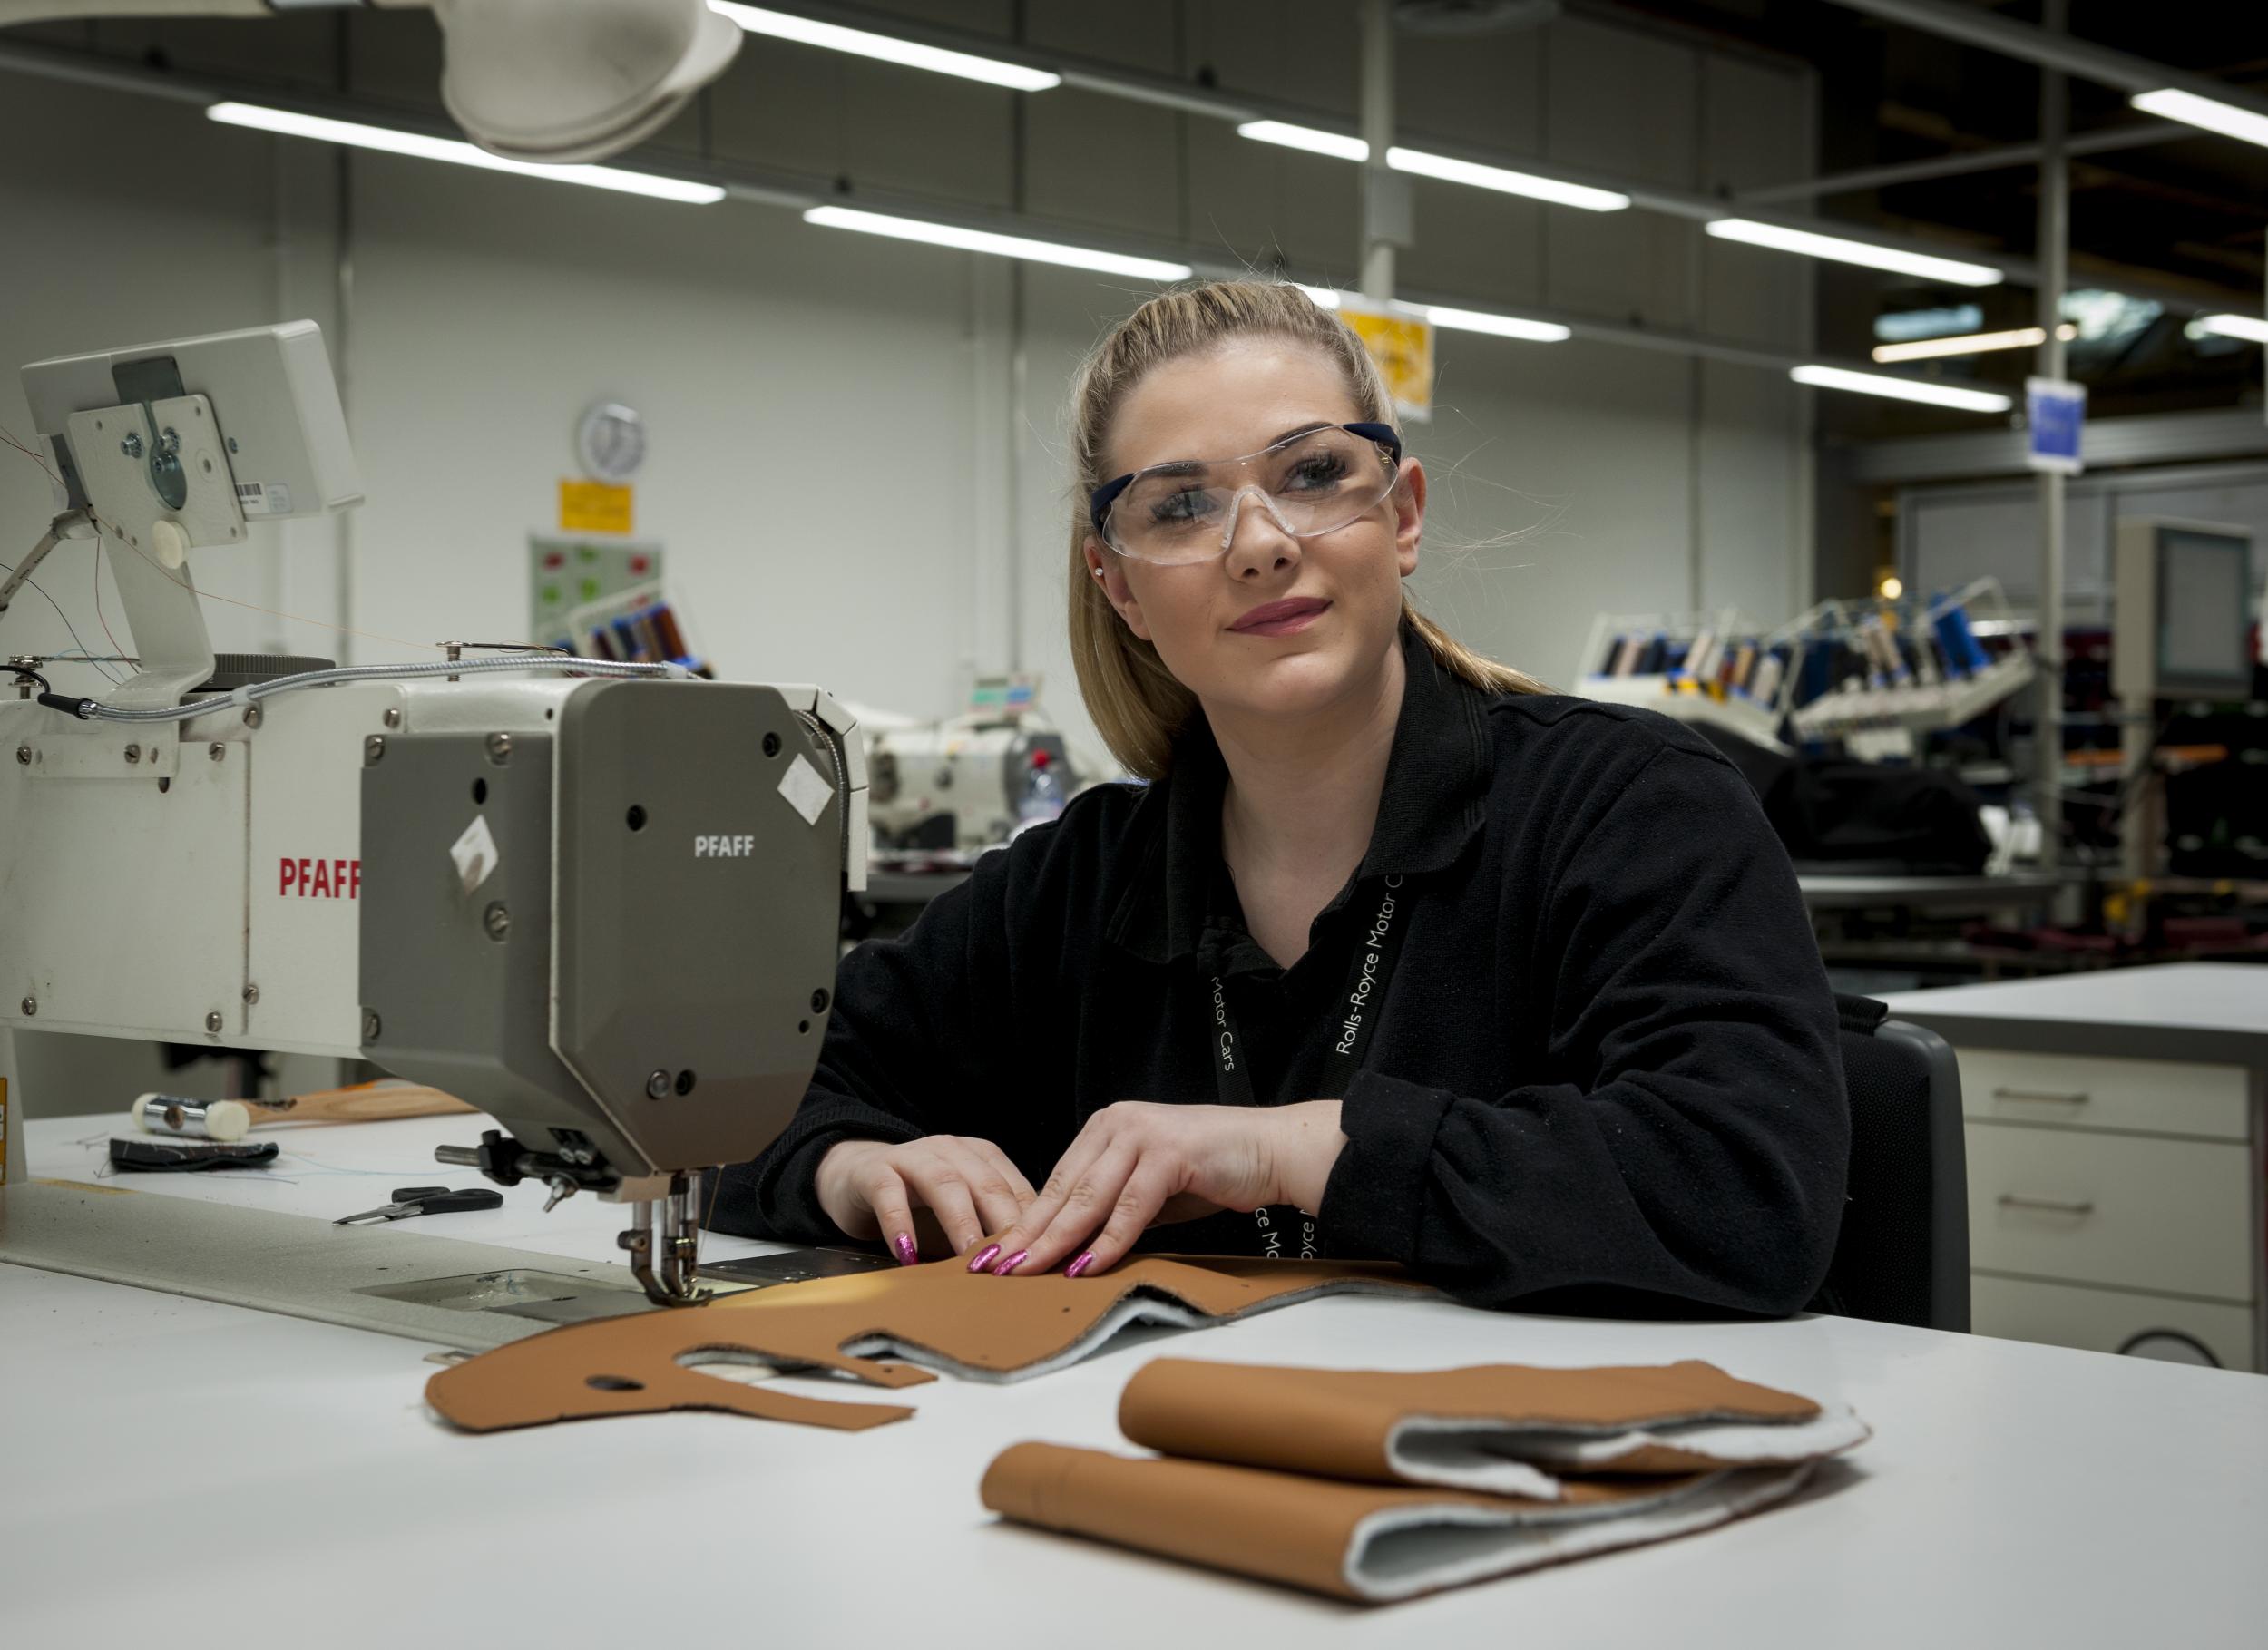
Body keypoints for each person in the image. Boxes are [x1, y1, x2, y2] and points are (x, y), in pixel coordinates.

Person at [709, 279, 1847, 1314]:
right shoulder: (1078, 883)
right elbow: (726, 1093)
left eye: (1310, 475)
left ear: (1399, 515)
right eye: (1180, 507)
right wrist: (850, 1167)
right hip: (1160, 1470)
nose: (1257, 544)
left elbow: (1743, 1189)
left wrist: (1293, 1148)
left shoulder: (1631, 807)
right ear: (1121, 591)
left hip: (1558, 1484)